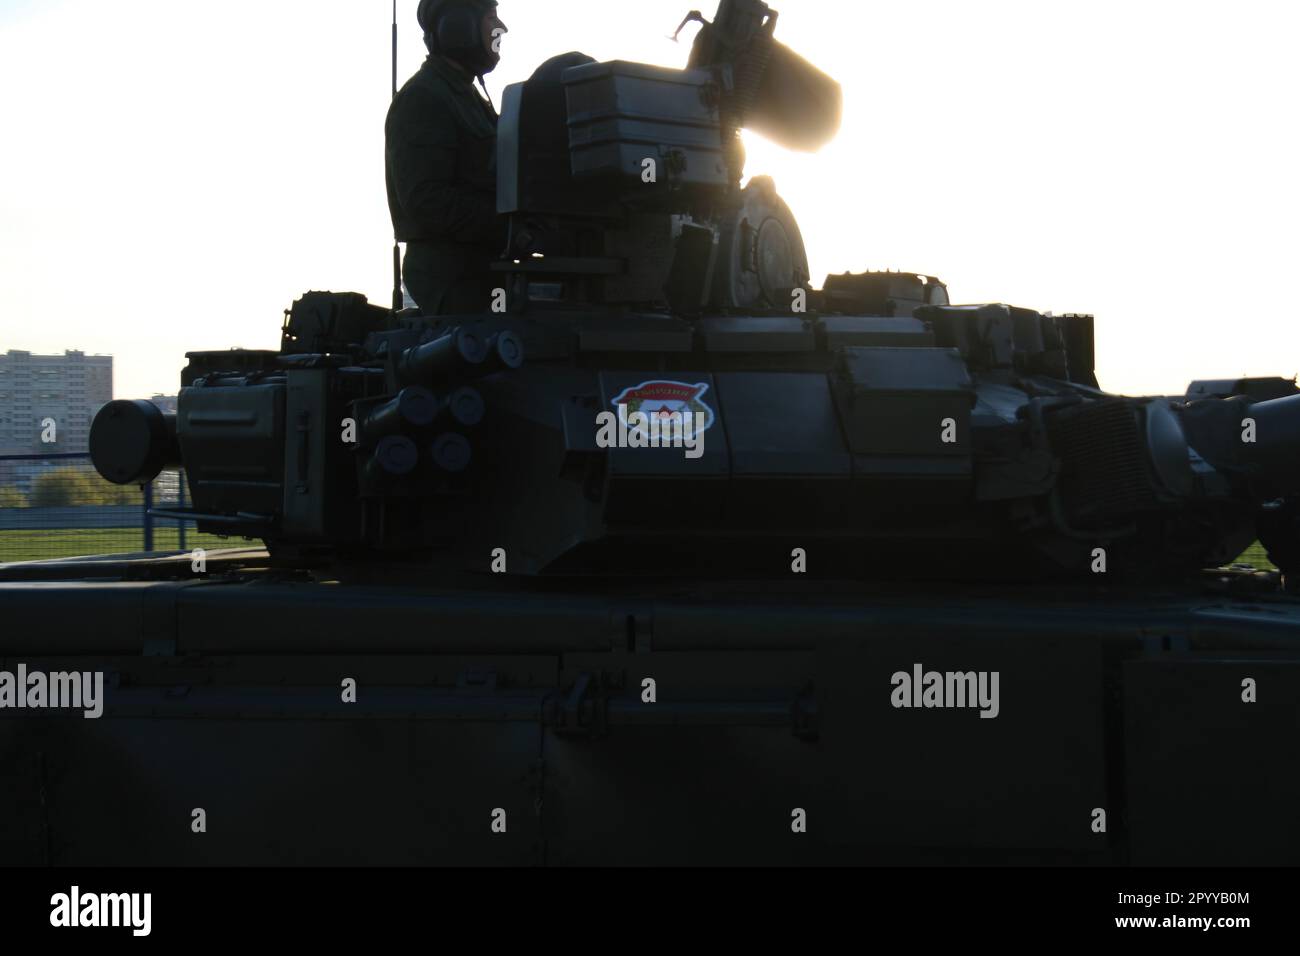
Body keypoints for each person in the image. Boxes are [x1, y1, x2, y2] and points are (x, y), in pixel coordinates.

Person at [385, 0, 509, 314]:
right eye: (491, 16)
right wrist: (511, 225)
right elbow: (427, 201)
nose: (501, 28)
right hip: (455, 285)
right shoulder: (424, 98)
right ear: (459, 27)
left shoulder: (468, 99)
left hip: (485, 276)